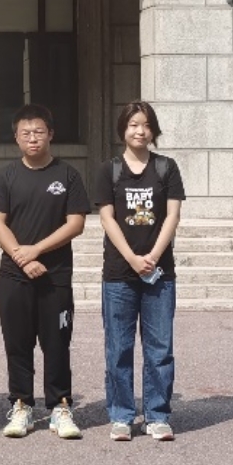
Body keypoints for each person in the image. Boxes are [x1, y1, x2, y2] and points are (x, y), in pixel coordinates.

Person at [0, 103, 90, 440]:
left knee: (57, 343)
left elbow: (76, 223)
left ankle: (60, 406)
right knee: (17, 344)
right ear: (16, 138)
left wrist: (37, 250)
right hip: (13, 276)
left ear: (51, 135)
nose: (33, 138)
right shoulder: (6, 176)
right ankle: (21, 405)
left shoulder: (68, 175)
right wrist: (23, 257)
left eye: (39, 132)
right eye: (26, 133)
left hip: (55, 277)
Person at [95, 100, 185, 442]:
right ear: (123, 129)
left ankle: (157, 415)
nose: (140, 131)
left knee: (159, 349)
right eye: (133, 124)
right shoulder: (109, 170)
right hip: (119, 273)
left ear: (153, 130)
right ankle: (121, 415)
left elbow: (172, 215)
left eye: (146, 125)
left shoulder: (166, 167)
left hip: (159, 275)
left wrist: (153, 255)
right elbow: (107, 218)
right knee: (118, 349)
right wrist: (133, 258)